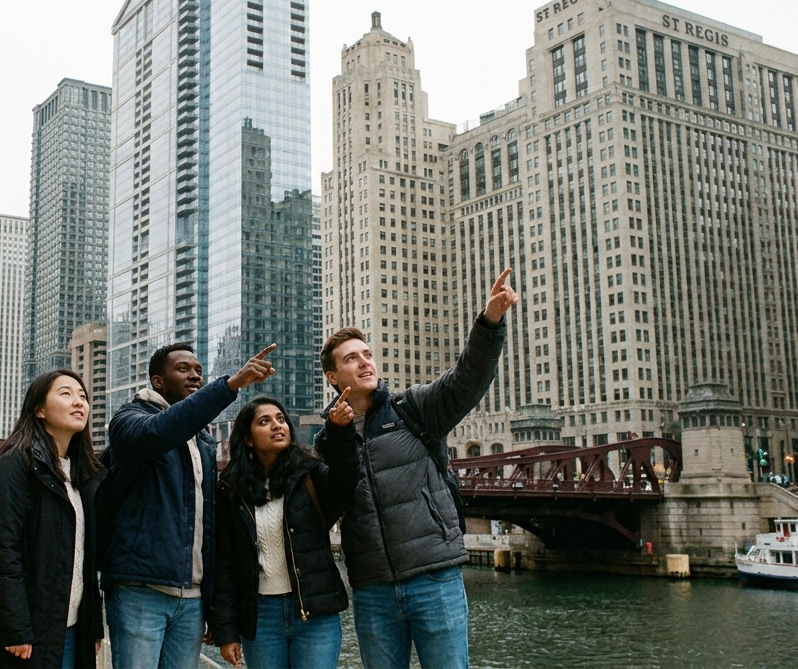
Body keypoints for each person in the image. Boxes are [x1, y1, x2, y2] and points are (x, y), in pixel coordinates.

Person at [316, 268, 515, 669]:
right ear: (333, 377)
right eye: (352, 358)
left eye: (367, 354)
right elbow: (327, 504)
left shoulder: (414, 407)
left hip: (434, 576)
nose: (365, 362)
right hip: (372, 588)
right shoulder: (327, 441)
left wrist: (490, 321)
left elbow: (467, 379)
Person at [101, 342, 277, 669]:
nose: (195, 375)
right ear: (158, 381)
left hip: (192, 599)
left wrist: (212, 607)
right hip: (140, 590)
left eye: (198, 370)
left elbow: (208, 528)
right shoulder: (129, 419)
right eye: (183, 369)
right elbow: (159, 431)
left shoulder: (203, 441)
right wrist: (229, 386)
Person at [0, 370, 105, 668]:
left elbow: (86, 560)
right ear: (39, 410)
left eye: (82, 396)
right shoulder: (15, 465)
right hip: (27, 635)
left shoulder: (83, 475)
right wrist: (15, 628)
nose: (78, 402)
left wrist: (92, 626)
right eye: (65, 394)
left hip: (71, 632)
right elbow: (0, 552)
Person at [212, 396, 358, 669]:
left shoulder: (310, 472)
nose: (277, 425)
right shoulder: (231, 489)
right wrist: (226, 632)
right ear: (248, 439)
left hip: (316, 614)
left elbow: (346, 480)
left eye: (281, 419)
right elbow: (225, 565)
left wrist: (341, 431)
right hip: (261, 618)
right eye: (264, 422)